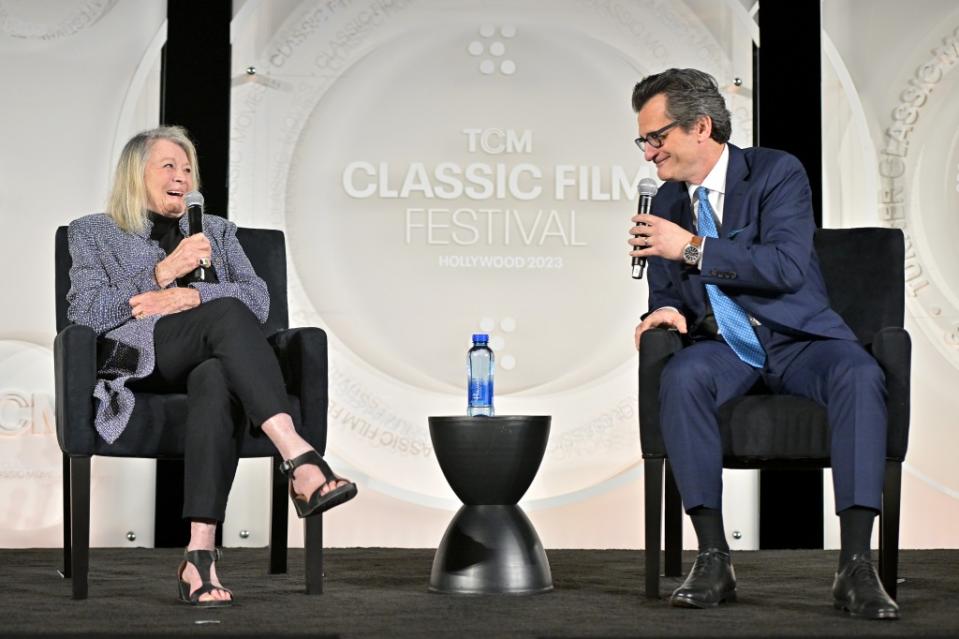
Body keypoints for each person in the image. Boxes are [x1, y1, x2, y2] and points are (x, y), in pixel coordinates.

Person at [627, 69, 898, 620]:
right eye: (644, 140)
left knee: (860, 373)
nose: (649, 154)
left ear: (700, 127)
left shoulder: (776, 172)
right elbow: (666, 287)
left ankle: (855, 566)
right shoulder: (666, 203)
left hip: (797, 338)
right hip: (722, 344)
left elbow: (787, 266)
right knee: (681, 376)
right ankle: (713, 557)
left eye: (657, 137)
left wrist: (695, 249)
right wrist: (664, 311)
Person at [66, 125, 357, 607]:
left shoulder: (216, 231)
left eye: (186, 169)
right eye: (168, 167)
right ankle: (299, 459)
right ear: (136, 175)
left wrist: (190, 295)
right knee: (224, 312)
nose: (181, 177)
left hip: (206, 355)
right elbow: (85, 313)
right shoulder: (93, 231)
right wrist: (162, 271)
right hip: (140, 358)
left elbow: (258, 300)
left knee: (217, 373)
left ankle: (199, 558)